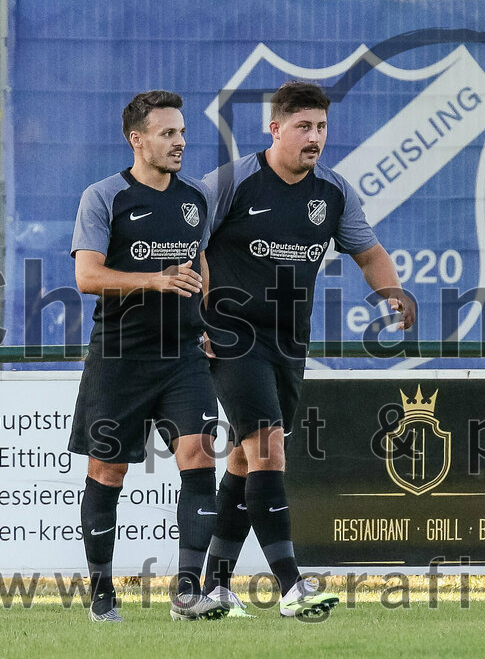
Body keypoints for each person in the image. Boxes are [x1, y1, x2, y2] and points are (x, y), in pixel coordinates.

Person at [200, 80, 415, 618]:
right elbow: (187, 246)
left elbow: (369, 254)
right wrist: (192, 319)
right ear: (275, 128)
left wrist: (393, 292)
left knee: (247, 461)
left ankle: (214, 586)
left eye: (321, 127)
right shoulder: (230, 183)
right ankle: (292, 586)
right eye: (303, 127)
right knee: (269, 447)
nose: (314, 137)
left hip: (289, 343)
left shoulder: (333, 192)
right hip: (231, 337)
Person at [69, 90, 228, 623]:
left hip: (182, 357)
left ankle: (187, 591)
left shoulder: (195, 197)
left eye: (182, 132)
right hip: (119, 359)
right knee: (108, 471)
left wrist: (208, 322)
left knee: (200, 456)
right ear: (137, 140)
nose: (180, 142)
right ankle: (101, 594)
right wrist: (154, 281)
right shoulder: (103, 197)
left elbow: (198, 265)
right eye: (167, 134)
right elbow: (87, 276)